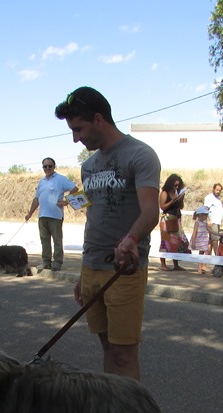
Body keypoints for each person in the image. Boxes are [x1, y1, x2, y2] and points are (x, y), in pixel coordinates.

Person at [54, 86, 160, 382]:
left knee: (124, 353)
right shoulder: (88, 166)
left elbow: (151, 211)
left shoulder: (140, 155)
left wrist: (131, 239)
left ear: (99, 119)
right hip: (91, 268)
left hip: (123, 270)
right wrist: (81, 274)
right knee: (106, 347)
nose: (76, 137)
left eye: (79, 128)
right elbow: (93, 216)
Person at [25, 157, 79, 273]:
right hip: (42, 216)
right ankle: (46, 262)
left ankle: (58, 262)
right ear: (43, 168)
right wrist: (30, 213)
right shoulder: (41, 182)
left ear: (54, 167)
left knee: (57, 240)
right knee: (44, 240)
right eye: (45, 166)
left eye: (50, 166)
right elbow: (36, 199)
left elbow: (75, 189)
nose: (48, 168)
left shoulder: (61, 179)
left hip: (56, 216)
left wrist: (66, 202)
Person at [158, 174, 189, 271]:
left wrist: (181, 199)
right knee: (165, 241)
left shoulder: (177, 192)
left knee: (178, 241)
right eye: (175, 185)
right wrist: (173, 200)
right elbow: (163, 207)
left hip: (176, 218)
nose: (176, 187)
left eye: (178, 185)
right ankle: (163, 264)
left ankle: (176, 263)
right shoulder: (164, 193)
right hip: (167, 219)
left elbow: (181, 207)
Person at [190, 205, 213, 274]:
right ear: (200, 215)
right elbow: (194, 233)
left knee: (204, 252)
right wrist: (193, 242)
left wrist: (218, 234)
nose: (206, 217)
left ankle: (203, 266)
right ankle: (200, 268)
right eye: (205, 215)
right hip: (199, 240)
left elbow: (209, 229)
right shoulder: (197, 223)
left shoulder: (205, 223)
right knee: (201, 254)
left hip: (204, 240)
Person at [203, 183, 223, 255]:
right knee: (215, 239)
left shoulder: (218, 199)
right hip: (212, 221)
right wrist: (208, 220)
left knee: (211, 240)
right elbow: (206, 209)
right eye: (217, 190)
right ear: (213, 189)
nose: (218, 191)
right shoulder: (209, 198)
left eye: (219, 190)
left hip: (217, 221)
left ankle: (208, 256)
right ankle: (217, 255)